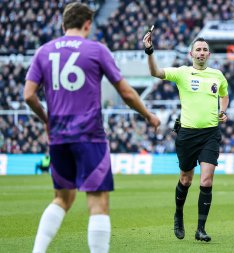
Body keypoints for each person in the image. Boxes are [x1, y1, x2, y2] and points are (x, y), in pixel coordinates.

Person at [24, 3, 160, 253]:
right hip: (90, 136)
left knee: (62, 198)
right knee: (98, 202)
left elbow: (28, 95)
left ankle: (38, 251)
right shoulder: (96, 50)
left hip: (58, 136)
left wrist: (47, 119)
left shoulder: (43, 52)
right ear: (88, 24)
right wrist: (148, 115)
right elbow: (127, 93)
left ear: (63, 24)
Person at [143, 32, 229, 242]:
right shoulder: (182, 73)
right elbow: (155, 72)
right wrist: (149, 51)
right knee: (186, 179)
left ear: (209, 54)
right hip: (187, 134)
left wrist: (222, 110)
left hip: (210, 134)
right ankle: (178, 214)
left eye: (204, 49)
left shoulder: (217, 75)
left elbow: (224, 95)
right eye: (198, 49)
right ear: (191, 53)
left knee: (206, 180)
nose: (201, 52)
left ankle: (201, 229)